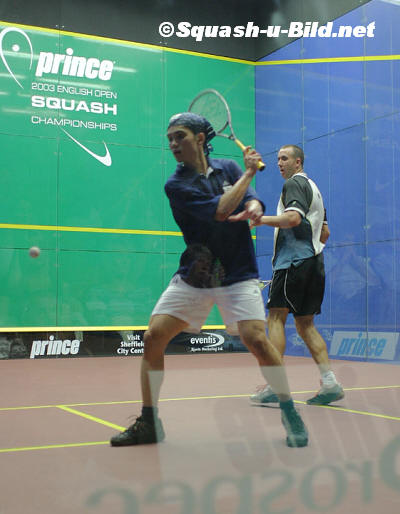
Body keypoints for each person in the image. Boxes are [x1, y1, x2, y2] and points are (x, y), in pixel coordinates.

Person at [110, 114, 308, 448]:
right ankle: (148, 422)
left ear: (200, 138)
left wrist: (255, 206)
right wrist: (248, 174)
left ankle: (290, 411)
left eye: (180, 136)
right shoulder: (176, 185)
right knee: (153, 337)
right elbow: (221, 210)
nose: (173, 144)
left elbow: (250, 199)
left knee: (257, 340)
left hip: (238, 271)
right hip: (197, 274)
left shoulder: (228, 168)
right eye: (170, 138)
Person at [236, 144, 343, 406]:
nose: (279, 163)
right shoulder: (314, 190)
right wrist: (309, 251)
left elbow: (293, 219)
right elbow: (325, 233)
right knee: (305, 325)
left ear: (298, 162)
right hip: (314, 263)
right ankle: (330, 383)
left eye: (285, 158)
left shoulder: (294, 184)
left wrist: (260, 220)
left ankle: (275, 385)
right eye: (278, 159)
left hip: (292, 264)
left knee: (275, 317)